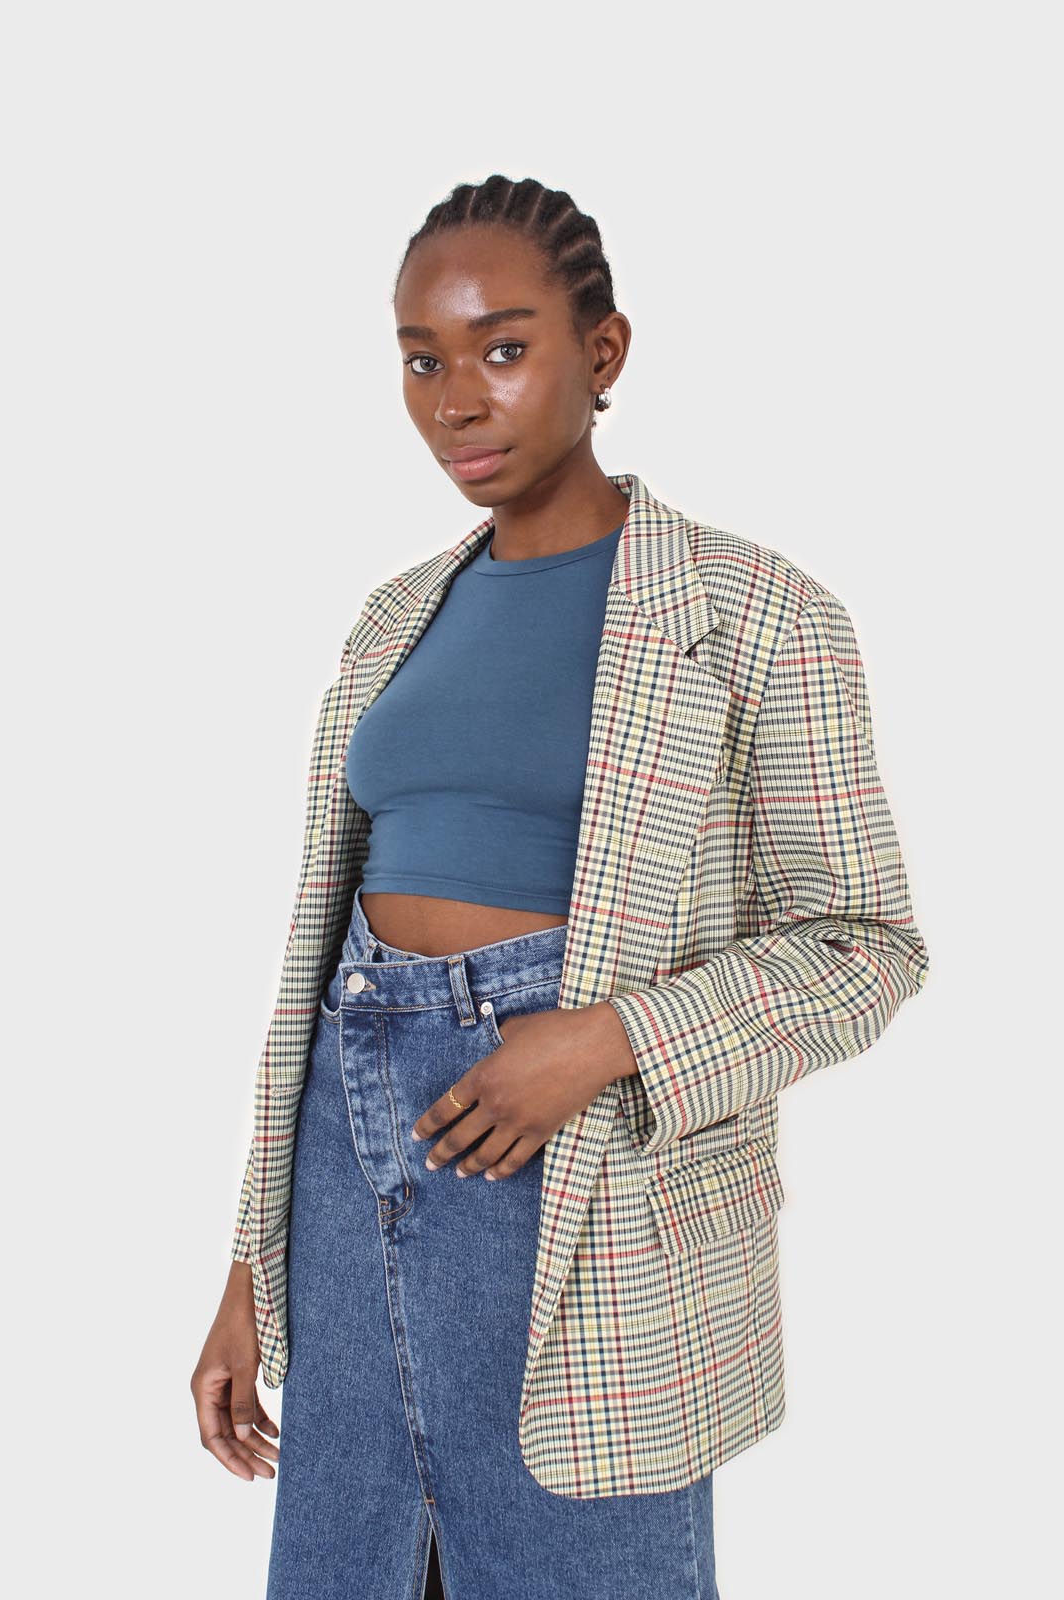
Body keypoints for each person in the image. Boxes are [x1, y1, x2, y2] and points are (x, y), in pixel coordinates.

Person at [190, 174, 931, 1600]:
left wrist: (607, 1040)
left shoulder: (757, 613)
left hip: (588, 1181)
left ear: (605, 353)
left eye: (505, 349)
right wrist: (250, 1270)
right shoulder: (393, 618)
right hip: (349, 1173)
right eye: (423, 361)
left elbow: (867, 948)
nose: (458, 401)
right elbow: (318, 972)